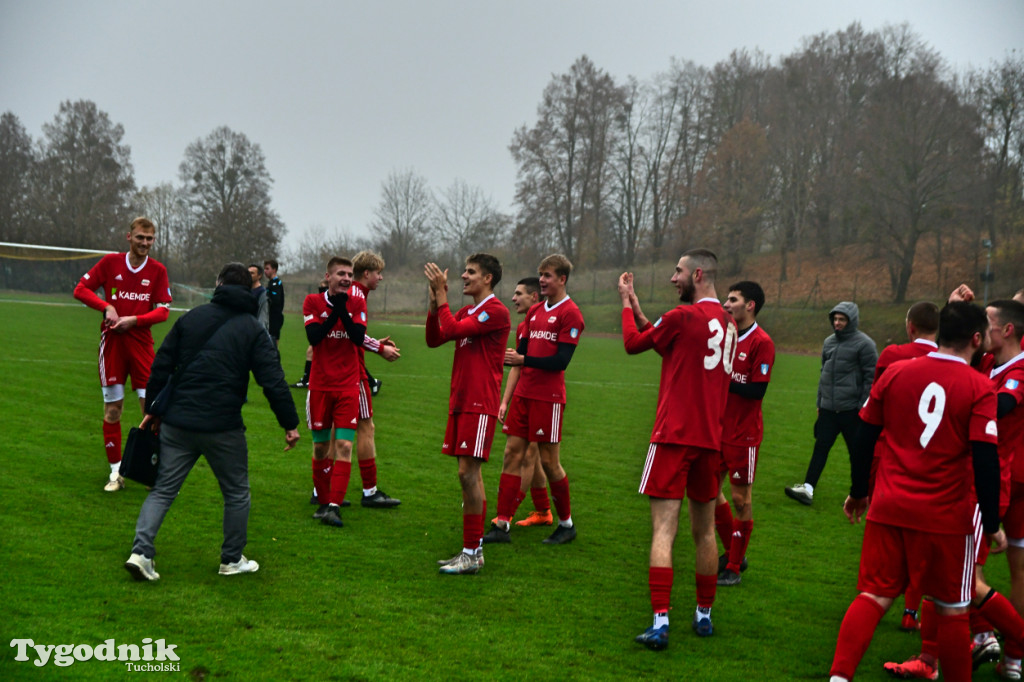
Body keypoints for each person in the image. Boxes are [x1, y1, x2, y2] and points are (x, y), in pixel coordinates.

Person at [827, 301, 1002, 682]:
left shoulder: (897, 373)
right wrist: (991, 523)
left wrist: (859, 490)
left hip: (888, 507)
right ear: (976, 339)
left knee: (873, 595)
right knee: (953, 608)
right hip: (944, 516)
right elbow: (986, 460)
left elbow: (863, 436)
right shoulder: (979, 387)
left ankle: (838, 678)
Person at [124, 263, 300, 581]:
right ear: (249, 289)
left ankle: (141, 553)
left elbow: (161, 365)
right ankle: (231, 560)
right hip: (224, 427)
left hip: (178, 423)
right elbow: (272, 380)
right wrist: (290, 424)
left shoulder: (191, 317)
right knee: (236, 493)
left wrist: (152, 408)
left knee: (163, 490)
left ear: (218, 284)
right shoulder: (252, 328)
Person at [883, 299, 1024, 682]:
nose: (981, 334)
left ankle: (1013, 644)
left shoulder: (1016, 371)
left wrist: (954, 395)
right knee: (947, 578)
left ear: (1006, 330)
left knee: (966, 584)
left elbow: (996, 407)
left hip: (984, 487)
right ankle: (947, 652)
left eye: (989, 324)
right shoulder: (989, 365)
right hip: (962, 486)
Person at [619, 249, 738, 649]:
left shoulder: (683, 317)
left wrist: (624, 307)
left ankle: (660, 622)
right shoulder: (730, 323)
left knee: (663, 530)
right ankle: (704, 616)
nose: (673, 278)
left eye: (678, 272)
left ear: (698, 273)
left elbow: (635, 345)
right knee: (705, 532)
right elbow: (671, 344)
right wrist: (639, 306)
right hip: (710, 440)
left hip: (672, 437)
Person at [483, 254, 584, 546]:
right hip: (525, 396)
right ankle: (502, 524)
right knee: (511, 454)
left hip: (548, 399)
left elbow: (561, 361)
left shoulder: (571, 314)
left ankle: (566, 524)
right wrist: (506, 393)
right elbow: (519, 358)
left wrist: (523, 358)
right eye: (541, 274)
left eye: (548, 275)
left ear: (562, 279)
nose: (542, 280)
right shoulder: (534, 312)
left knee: (550, 463)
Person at [425, 255, 510, 574]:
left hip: (479, 402)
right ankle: (472, 551)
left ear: (487, 278)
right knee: (469, 475)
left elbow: (455, 329)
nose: (463, 276)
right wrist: (435, 303)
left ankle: (472, 552)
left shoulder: (496, 311)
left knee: (467, 473)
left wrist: (443, 298)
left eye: (470, 272)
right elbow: (435, 338)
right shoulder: (467, 310)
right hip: (461, 401)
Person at [73, 217, 172, 492]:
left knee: (151, 414)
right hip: (113, 346)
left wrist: (135, 320)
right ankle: (116, 473)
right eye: (140, 237)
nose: (144, 243)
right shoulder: (110, 263)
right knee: (113, 410)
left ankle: (155, 473)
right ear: (129, 237)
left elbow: (163, 310)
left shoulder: (158, 270)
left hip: (142, 346)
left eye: (149, 239)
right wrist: (106, 307)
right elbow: (80, 290)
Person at [785, 301, 876, 505]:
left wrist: (862, 407)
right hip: (828, 408)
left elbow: (872, 378)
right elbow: (823, 374)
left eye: (842, 319)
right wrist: (820, 402)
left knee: (858, 453)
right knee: (821, 447)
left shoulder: (865, 344)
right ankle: (807, 489)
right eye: (835, 319)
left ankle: (868, 493)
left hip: (851, 410)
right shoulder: (829, 342)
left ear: (851, 321)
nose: (837, 323)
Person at [714, 281, 774, 587]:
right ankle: (733, 551)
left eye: (733, 299)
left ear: (750, 305)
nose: (726, 304)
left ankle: (734, 566)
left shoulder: (761, 342)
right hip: (717, 429)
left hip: (743, 434)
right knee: (707, 493)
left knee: (740, 499)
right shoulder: (724, 335)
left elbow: (757, 390)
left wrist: (722, 379)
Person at [303, 257, 366, 527]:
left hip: (347, 386)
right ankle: (323, 499)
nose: (346, 278)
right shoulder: (312, 302)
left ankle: (334, 506)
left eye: (350, 274)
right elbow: (315, 337)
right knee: (320, 448)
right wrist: (336, 311)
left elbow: (357, 338)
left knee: (344, 445)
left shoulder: (357, 302)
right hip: (320, 385)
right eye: (341, 273)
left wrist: (342, 310)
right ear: (327, 277)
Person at [348, 250, 402, 508]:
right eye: (378, 273)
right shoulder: (357, 295)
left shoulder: (354, 294)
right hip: (353, 373)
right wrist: (381, 349)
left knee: (338, 430)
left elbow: (351, 334)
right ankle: (370, 492)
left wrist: (373, 343)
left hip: (343, 369)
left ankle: (321, 491)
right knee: (365, 427)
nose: (381, 278)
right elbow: (354, 335)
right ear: (366, 273)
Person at [500, 277, 552, 527]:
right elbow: (516, 367)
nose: (513, 298)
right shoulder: (523, 327)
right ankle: (543, 511)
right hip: (523, 399)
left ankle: (506, 514)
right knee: (532, 457)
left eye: (519, 293)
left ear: (534, 297)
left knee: (530, 456)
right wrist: (504, 402)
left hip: (543, 399)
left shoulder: (548, 323)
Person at [264, 258, 284, 346]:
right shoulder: (271, 283)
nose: (265, 271)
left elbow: (276, 301)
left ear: (274, 270)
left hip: (274, 318)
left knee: (273, 346)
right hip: (270, 318)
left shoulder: (276, 283)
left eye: (267, 269)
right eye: (264, 269)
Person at [248, 264, 270, 331]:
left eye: (252, 273)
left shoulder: (263, 293)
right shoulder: (245, 291)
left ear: (259, 276)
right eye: (247, 273)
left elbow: (263, 316)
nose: (248, 275)